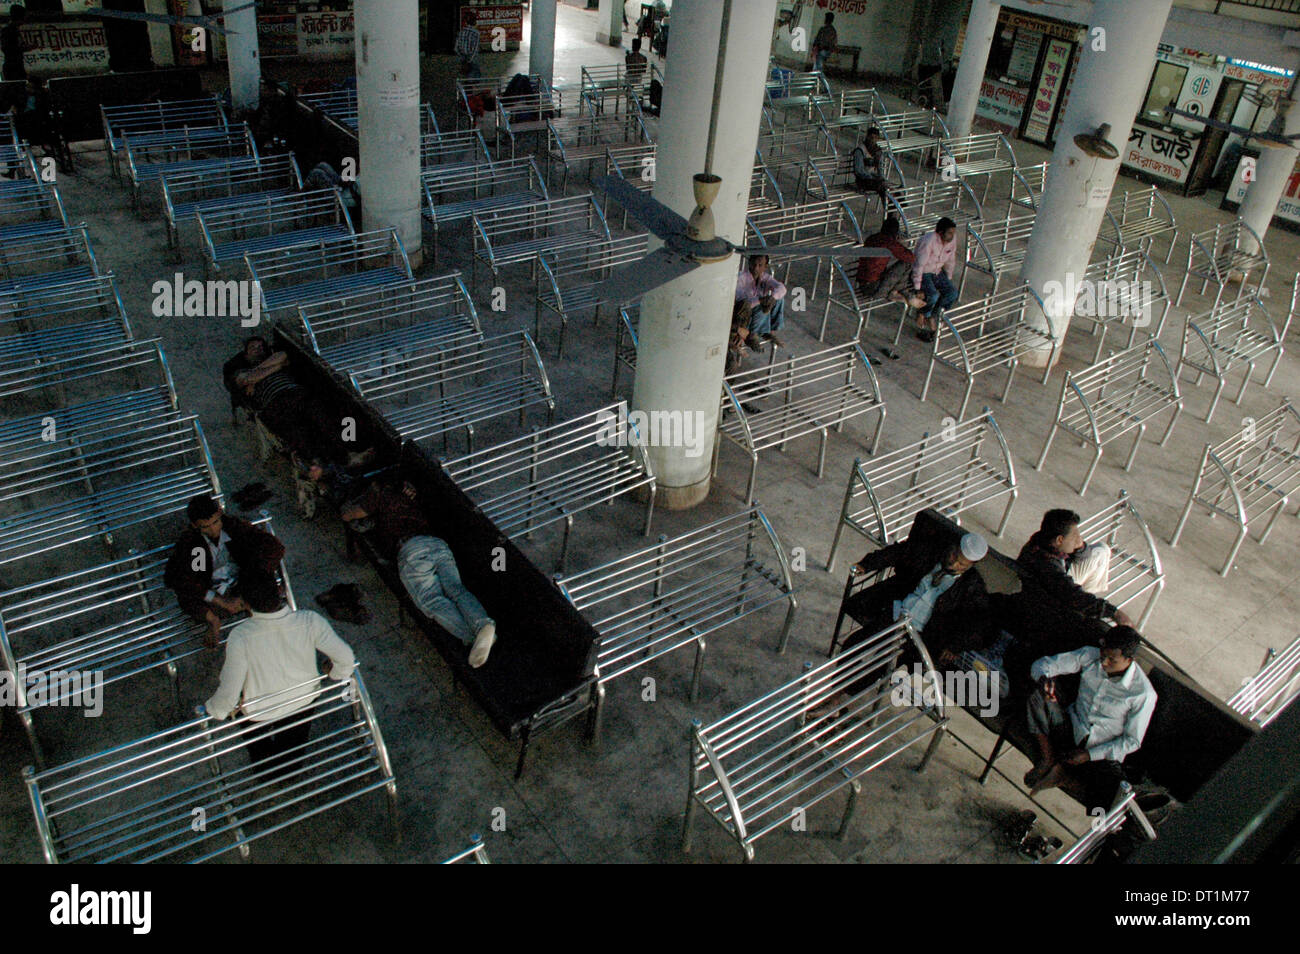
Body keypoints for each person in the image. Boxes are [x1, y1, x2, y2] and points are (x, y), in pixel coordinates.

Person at [340, 479, 498, 668]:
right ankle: (483, 625)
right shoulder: (410, 495)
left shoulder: (380, 494)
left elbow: (349, 515)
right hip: (437, 544)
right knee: (456, 590)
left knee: (431, 600)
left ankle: (472, 637)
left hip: (411, 550)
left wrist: (351, 506)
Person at [204, 574, 356, 767]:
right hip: (304, 700)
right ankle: (290, 768)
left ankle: (267, 771)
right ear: (280, 592)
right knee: (293, 746)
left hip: (260, 712)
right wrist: (334, 672)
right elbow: (346, 659)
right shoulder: (310, 620)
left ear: (246, 604)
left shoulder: (241, 636)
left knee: (258, 748)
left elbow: (230, 689)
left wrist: (217, 709)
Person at [1023, 626, 1157, 807]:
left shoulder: (1143, 694)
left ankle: (1064, 778)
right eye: (1103, 656)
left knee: (1112, 796)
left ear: (1129, 660)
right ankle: (1048, 759)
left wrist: (1088, 755)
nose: (1104, 663)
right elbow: (1042, 665)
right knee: (1037, 697)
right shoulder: (1090, 655)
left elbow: (1132, 741)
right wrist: (1043, 680)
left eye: (1112, 660)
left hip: (1099, 751)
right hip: (1069, 727)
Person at [223, 336, 376, 472]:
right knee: (296, 430)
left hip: (296, 393)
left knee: (323, 418)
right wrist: (275, 368)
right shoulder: (240, 370)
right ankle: (316, 464)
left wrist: (257, 375)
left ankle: (347, 456)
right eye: (253, 348)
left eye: (260, 347)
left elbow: (282, 355)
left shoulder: (273, 358)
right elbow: (244, 380)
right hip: (273, 403)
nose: (258, 350)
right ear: (245, 354)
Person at [165, 495, 287, 649]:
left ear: (220, 514)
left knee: (263, 581)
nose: (213, 529)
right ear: (195, 526)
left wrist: (253, 575)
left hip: (242, 581)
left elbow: (273, 547)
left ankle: (257, 615)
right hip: (213, 592)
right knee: (188, 594)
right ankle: (214, 621)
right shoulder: (196, 546)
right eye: (206, 526)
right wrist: (222, 601)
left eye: (216, 522)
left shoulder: (234, 528)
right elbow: (193, 581)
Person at [1019, 509, 1133, 627]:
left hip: (1055, 589)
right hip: (1049, 607)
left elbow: (1083, 556)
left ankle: (1088, 598)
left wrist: (1080, 547)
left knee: (1101, 550)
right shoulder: (1048, 566)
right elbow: (1073, 595)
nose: (1079, 538)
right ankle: (1088, 606)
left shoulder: (1042, 541)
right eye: (1075, 536)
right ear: (1059, 540)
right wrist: (1113, 612)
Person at [856, 214, 926, 307]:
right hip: (875, 289)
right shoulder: (889, 243)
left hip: (863, 285)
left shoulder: (872, 238)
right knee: (907, 263)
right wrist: (898, 243)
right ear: (895, 233)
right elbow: (911, 257)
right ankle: (899, 293)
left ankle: (901, 293)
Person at [911, 216, 959, 342]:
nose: (952, 236)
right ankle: (924, 313)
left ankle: (932, 315)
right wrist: (917, 287)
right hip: (925, 272)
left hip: (938, 272)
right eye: (949, 233)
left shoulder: (951, 241)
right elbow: (919, 264)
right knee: (932, 295)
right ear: (940, 232)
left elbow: (950, 261)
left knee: (952, 293)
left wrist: (947, 279)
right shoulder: (929, 241)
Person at [734, 254, 786, 351]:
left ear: (765, 267)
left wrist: (773, 298)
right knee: (761, 305)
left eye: (760, 265)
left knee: (779, 299)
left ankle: (769, 331)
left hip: (759, 315)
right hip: (744, 314)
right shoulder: (741, 277)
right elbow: (741, 301)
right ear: (749, 263)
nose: (756, 268)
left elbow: (781, 288)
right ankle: (752, 336)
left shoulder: (765, 278)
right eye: (754, 264)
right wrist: (760, 300)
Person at [851, 128, 889, 205]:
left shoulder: (877, 151)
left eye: (875, 138)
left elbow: (880, 168)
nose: (873, 140)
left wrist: (880, 177)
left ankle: (895, 209)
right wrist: (872, 177)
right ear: (867, 137)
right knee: (884, 188)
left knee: (889, 189)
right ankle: (890, 211)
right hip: (863, 181)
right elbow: (859, 171)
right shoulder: (860, 151)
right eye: (871, 138)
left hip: (873, 179)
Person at [2, 5, 28, 83]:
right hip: (12, 68)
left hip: (18, 66)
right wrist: (23, 48)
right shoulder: (8, 30)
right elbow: (7, 48)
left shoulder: (15, 30)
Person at [455, 10, 482, 78]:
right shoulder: (476, 33)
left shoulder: (461, 32)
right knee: (474, 79)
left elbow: (456, 47)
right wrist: (469, 60)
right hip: (472, 60)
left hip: (462, 58)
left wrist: (462, 56)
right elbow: (475, 49)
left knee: (463, 78)